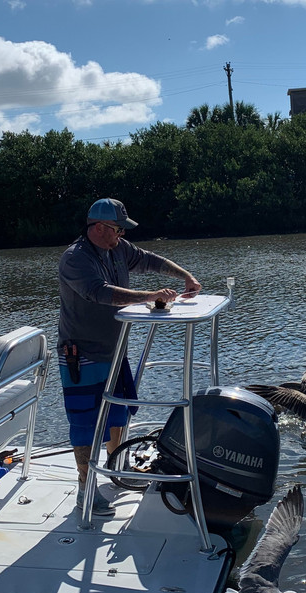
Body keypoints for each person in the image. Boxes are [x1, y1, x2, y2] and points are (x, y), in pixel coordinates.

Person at [57, 197, 201, 514]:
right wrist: (152, 296)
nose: (122, 235)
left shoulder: (118, 249)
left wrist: (185, 276)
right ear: (98, 228)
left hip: (115, 349)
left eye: (123, 230)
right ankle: (86, 491)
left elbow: (150, 261)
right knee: (86, 423)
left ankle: (116, 468)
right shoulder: (75, 259)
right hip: (81, 355)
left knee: (119, 413)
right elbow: (100, 293)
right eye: (117, 229)